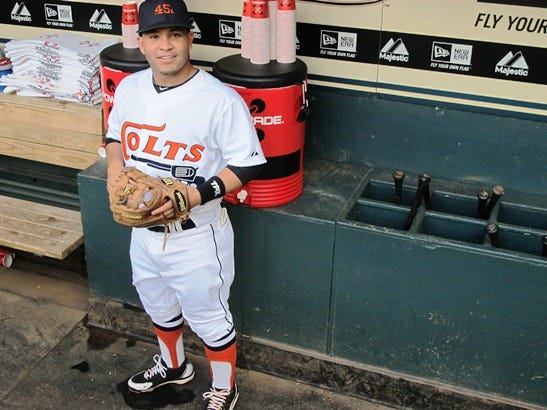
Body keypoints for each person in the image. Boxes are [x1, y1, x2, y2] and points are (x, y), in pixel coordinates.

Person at [104, 0, 266, 408]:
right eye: (155, 36)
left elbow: (246, 164)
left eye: (174, 34)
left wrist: (194, 194)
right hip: (143, 231)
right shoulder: (130, 87)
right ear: (140, 42)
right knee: (157, 304)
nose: (166, 46)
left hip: (196, 234)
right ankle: (174, 367)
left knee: (209, 319)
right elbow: (113, 137)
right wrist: (113, 170)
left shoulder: (219, 98)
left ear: (189, 38)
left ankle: (225, 389)